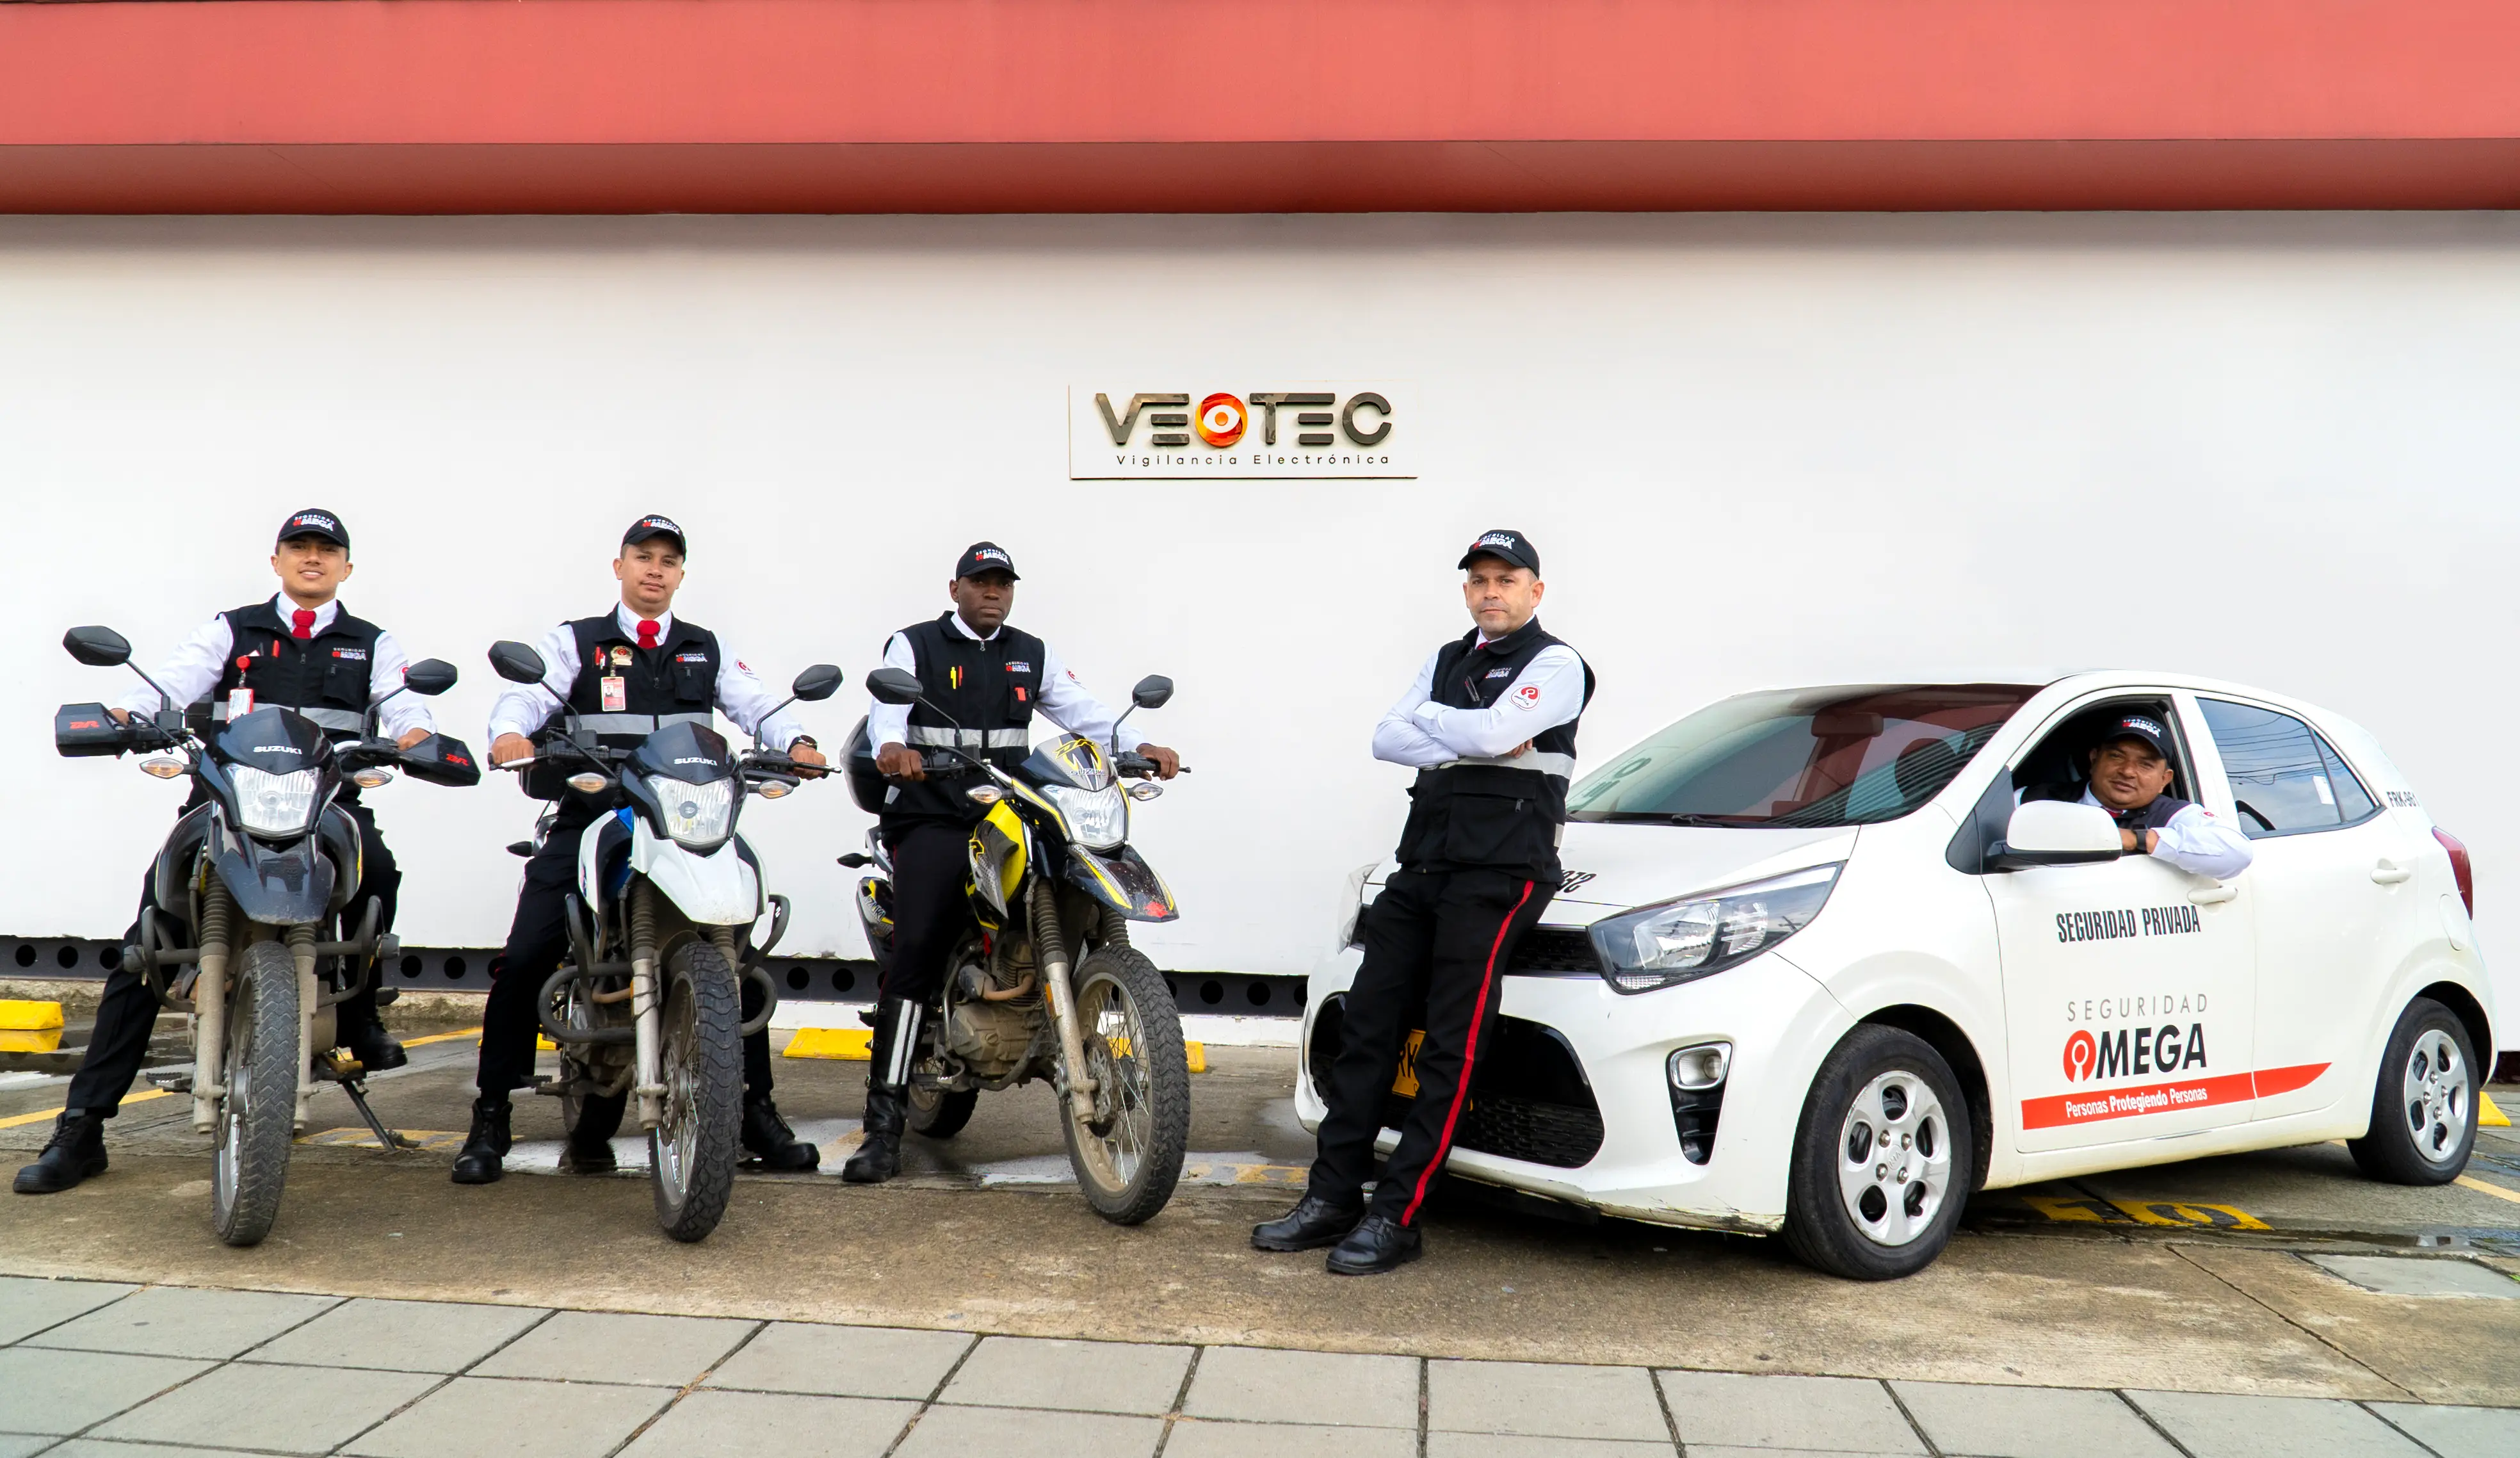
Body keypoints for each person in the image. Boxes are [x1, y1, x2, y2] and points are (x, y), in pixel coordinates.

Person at [17, 508, 433, 1196]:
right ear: (276, 560)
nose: (312, 558)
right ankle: (81, 1128)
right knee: (147, 942)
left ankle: (359, 1013)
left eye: (326, 550)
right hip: (224, 806)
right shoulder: (232, 630)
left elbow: (406, 707)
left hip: (324, 807)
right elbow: (169, 684)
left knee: (379, 872)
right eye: (299, 547)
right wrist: (123, 716)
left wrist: (415, 738)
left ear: (346, 568)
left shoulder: (372, 644)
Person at [452, 514, 828, 1184]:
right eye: (644, 557)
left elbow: (759, 705)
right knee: (529, 951)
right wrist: (511, 734)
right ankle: (492, 1114)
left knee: (736, 949)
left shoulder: (704, 648)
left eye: (668, 560)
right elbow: (527, 697)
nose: (656, 569)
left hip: (688, 821)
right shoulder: (578, 642)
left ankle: (754, 1110)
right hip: (597, 814)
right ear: (620, 566)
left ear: (681, 574)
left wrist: (796, 742)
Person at [1255, 528, 1593, 1274]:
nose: (1491, 592)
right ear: (1466, 591)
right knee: (1367, 1029)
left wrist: (1441, 722)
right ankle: (1332, 1196)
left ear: (1535, 591)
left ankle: (1397, 1215)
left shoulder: (1557, 664)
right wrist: (1468, 733)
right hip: (1422, 866)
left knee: (1450, 1044)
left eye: (1506, 579)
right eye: (1479, 580)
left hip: (1500, 872)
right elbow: (1386, 738)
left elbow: (1498, 733)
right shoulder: (1446, 659)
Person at [848, 540, 1180, 1185]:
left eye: (1003, 583)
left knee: (1065, 873)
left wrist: (1139, 744)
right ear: (956, 590)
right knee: (917, 947)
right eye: (981, 582)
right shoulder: (914, 646)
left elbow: (1084, 713)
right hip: (934, 813)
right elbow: (887, 714)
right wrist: (892, 748)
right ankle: (882, 1128)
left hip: (1007, 813)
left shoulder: (1030, 653)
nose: (993, 592)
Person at [2030, 714, 2254, 879]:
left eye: (2145, 764)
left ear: (2165, 779)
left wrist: (2136, 839)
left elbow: (2237, 852)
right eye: (2117, 756)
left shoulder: (2171, 815)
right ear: (2094, 758)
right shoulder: (2035, 800)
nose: (2128, 771)